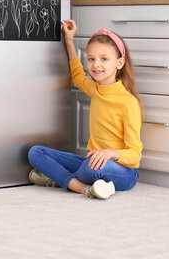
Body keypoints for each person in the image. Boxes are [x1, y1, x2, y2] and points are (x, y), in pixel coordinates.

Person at [28, 20, 144, 199]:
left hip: (123, 172)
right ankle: (81, 188)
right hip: (91, 163)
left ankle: (62, 180)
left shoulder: (128, 103)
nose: (96, 64)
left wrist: (110, 153)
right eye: (91, 59)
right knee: (36, 152)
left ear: (119, 63)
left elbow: (135, 155)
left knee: (90, 166)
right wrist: (69, 40)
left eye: (104, 59)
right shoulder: (96, 90)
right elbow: (77, 75)